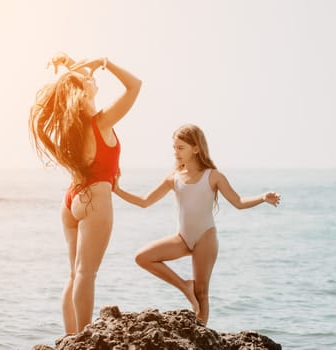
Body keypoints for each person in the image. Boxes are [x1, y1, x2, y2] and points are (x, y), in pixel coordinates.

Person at [113, 124, 280, 325]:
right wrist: (117, 189)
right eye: (174, 148)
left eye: (180, 148)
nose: (176, 153)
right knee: (142, 257)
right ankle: (184, 286)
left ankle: (201, 335)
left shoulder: (213, 176)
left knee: (201, 292)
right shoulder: (173, 178)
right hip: (182, 238)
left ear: (196, 148)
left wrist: (263, 197)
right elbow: (144, 201)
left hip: (205, 238)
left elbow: (238, 202)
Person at [29, 53, 142, 333]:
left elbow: (74, 83)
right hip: (95, 199)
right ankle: (84, 340)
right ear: (83, 92)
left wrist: (72, 65)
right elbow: (135, 85)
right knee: (86, 274)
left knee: (75, 274)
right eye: (88, 80)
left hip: (72, 201)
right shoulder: (100, 122)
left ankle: (70, 339)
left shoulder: (74, 128)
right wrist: (107, 62)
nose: (93, 79)